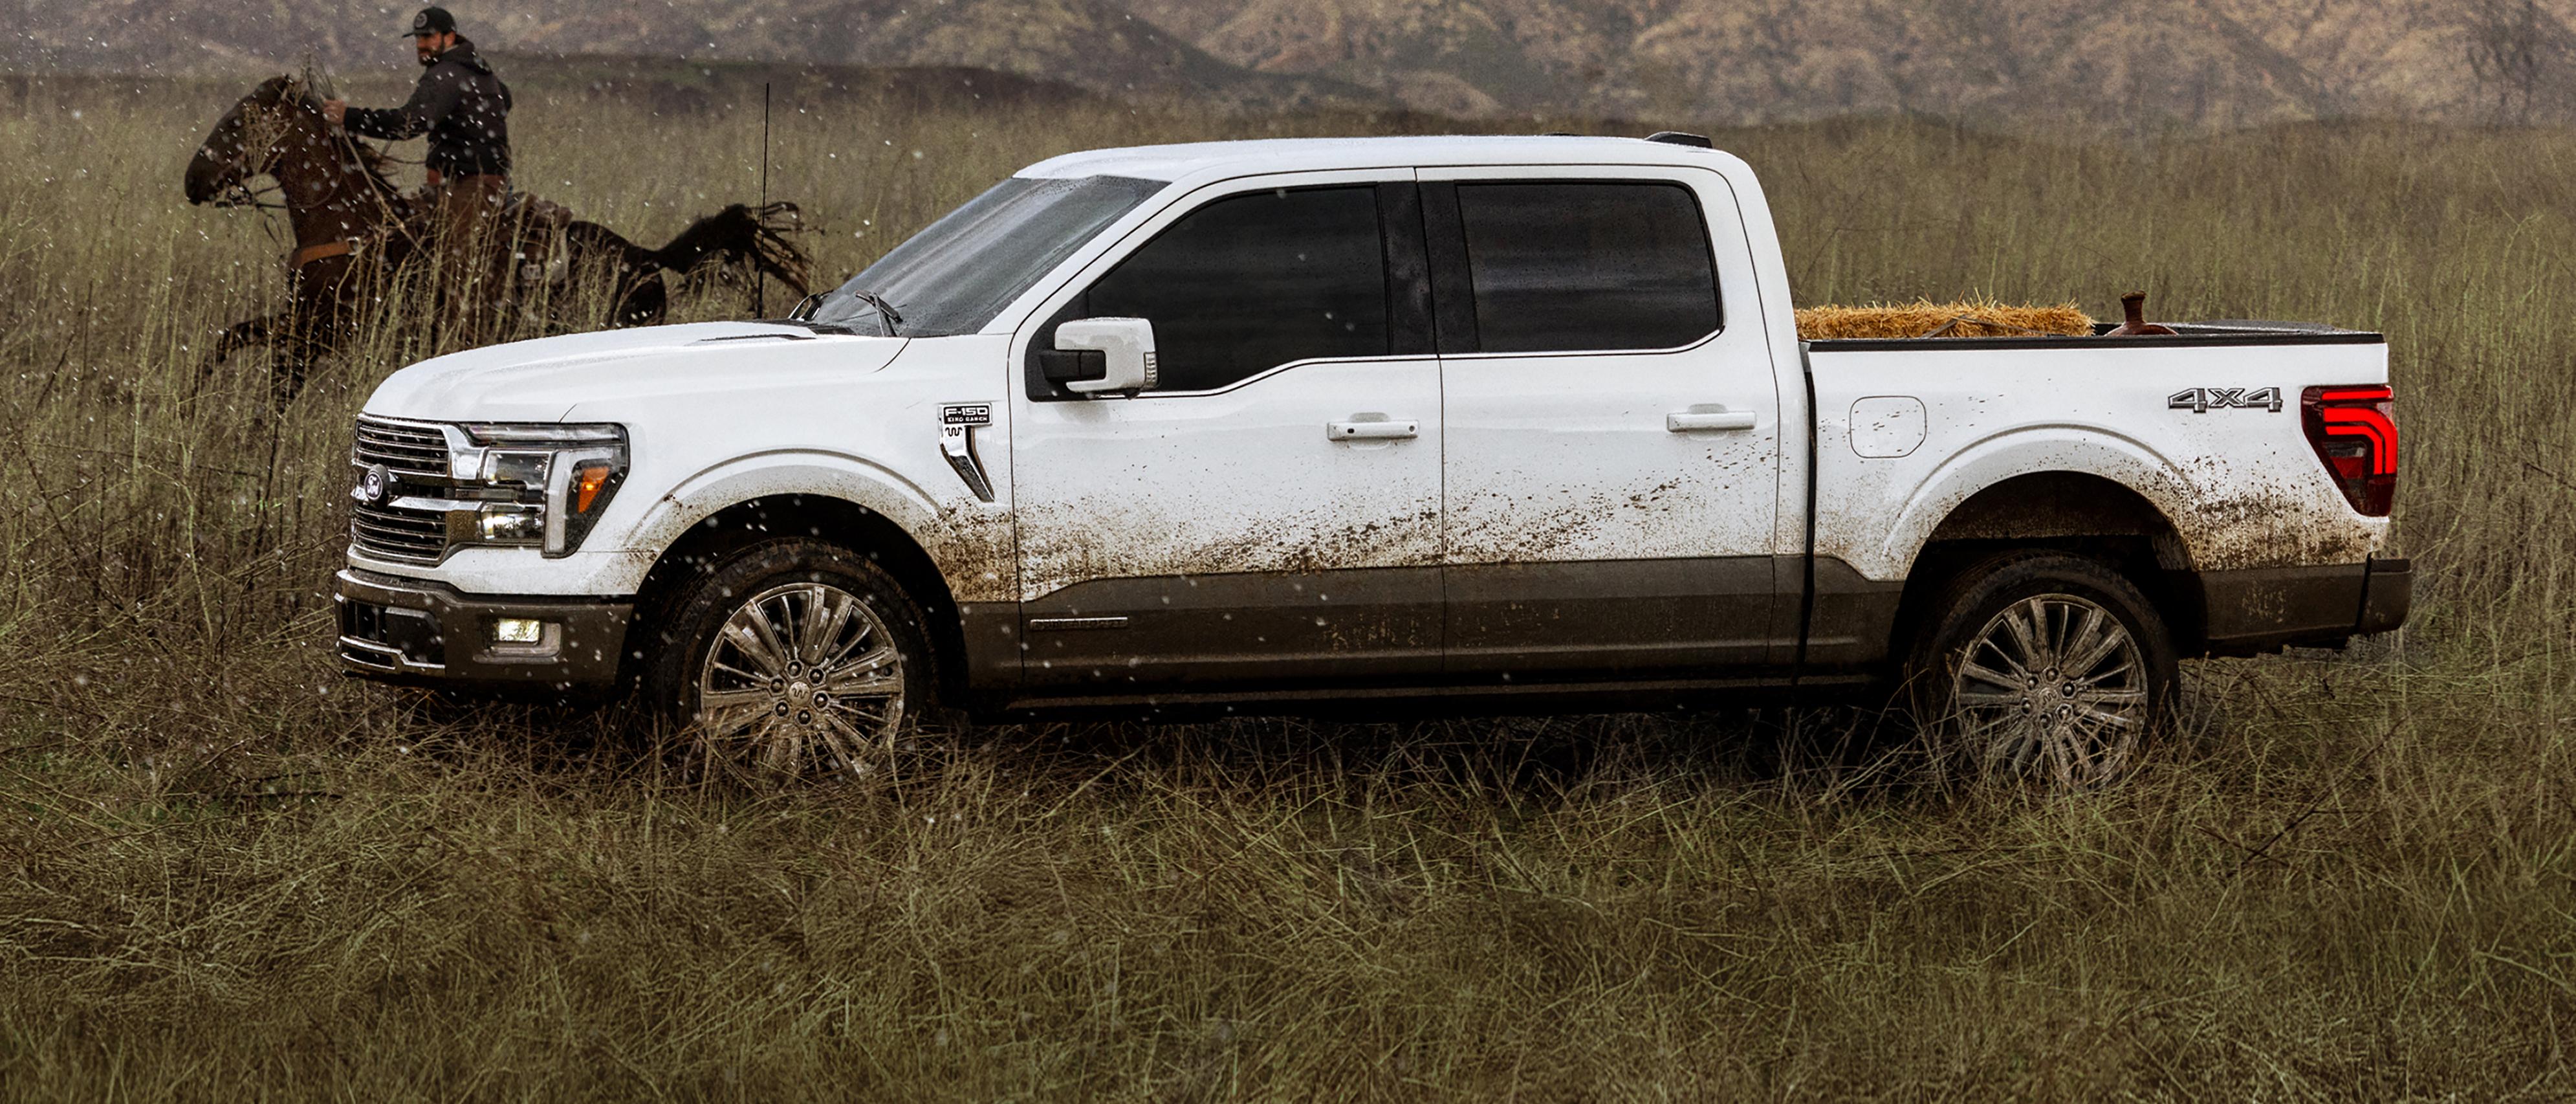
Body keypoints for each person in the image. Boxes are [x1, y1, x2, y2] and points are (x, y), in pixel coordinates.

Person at [323, 7, 515, 338]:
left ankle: (464, 347)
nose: (421, 45)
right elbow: (505, 99)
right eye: (418, 39)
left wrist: (349, 117)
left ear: (449, 37)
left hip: (472, 186)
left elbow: (408, 123)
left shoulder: (447, 73)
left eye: (428, 38)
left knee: (455, 268)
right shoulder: (477, 69)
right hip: (468, 183)